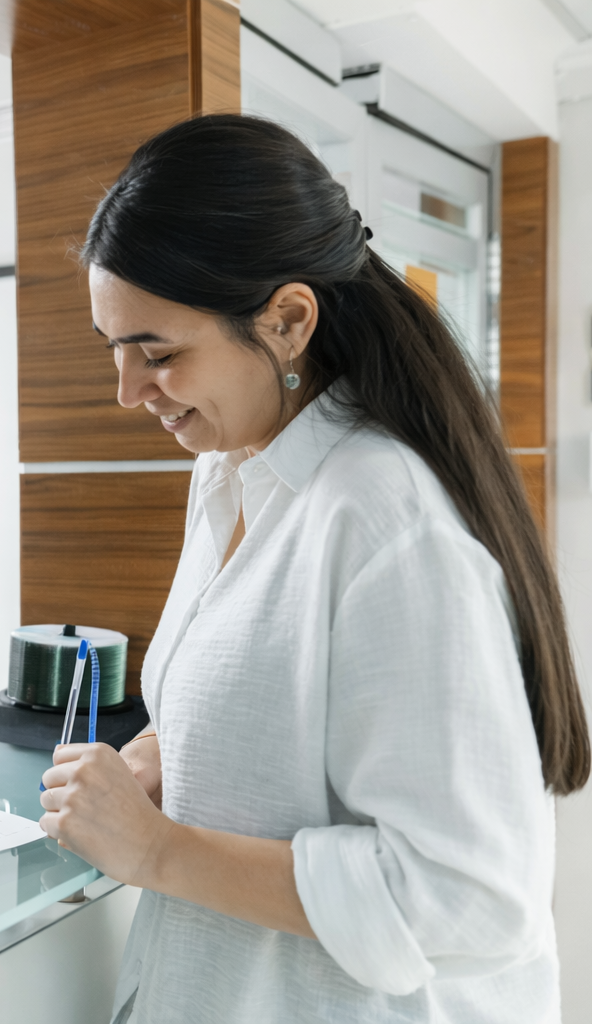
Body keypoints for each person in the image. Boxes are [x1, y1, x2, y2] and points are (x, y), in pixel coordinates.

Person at [37, 115, 589, 1022]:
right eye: (116, 352)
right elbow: (296, 719)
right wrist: (164, 755)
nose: (129, 394)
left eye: (160, 354)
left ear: (288, 321)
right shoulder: (228, 475)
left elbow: (469, 896)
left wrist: (158, 851)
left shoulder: (384, 516)